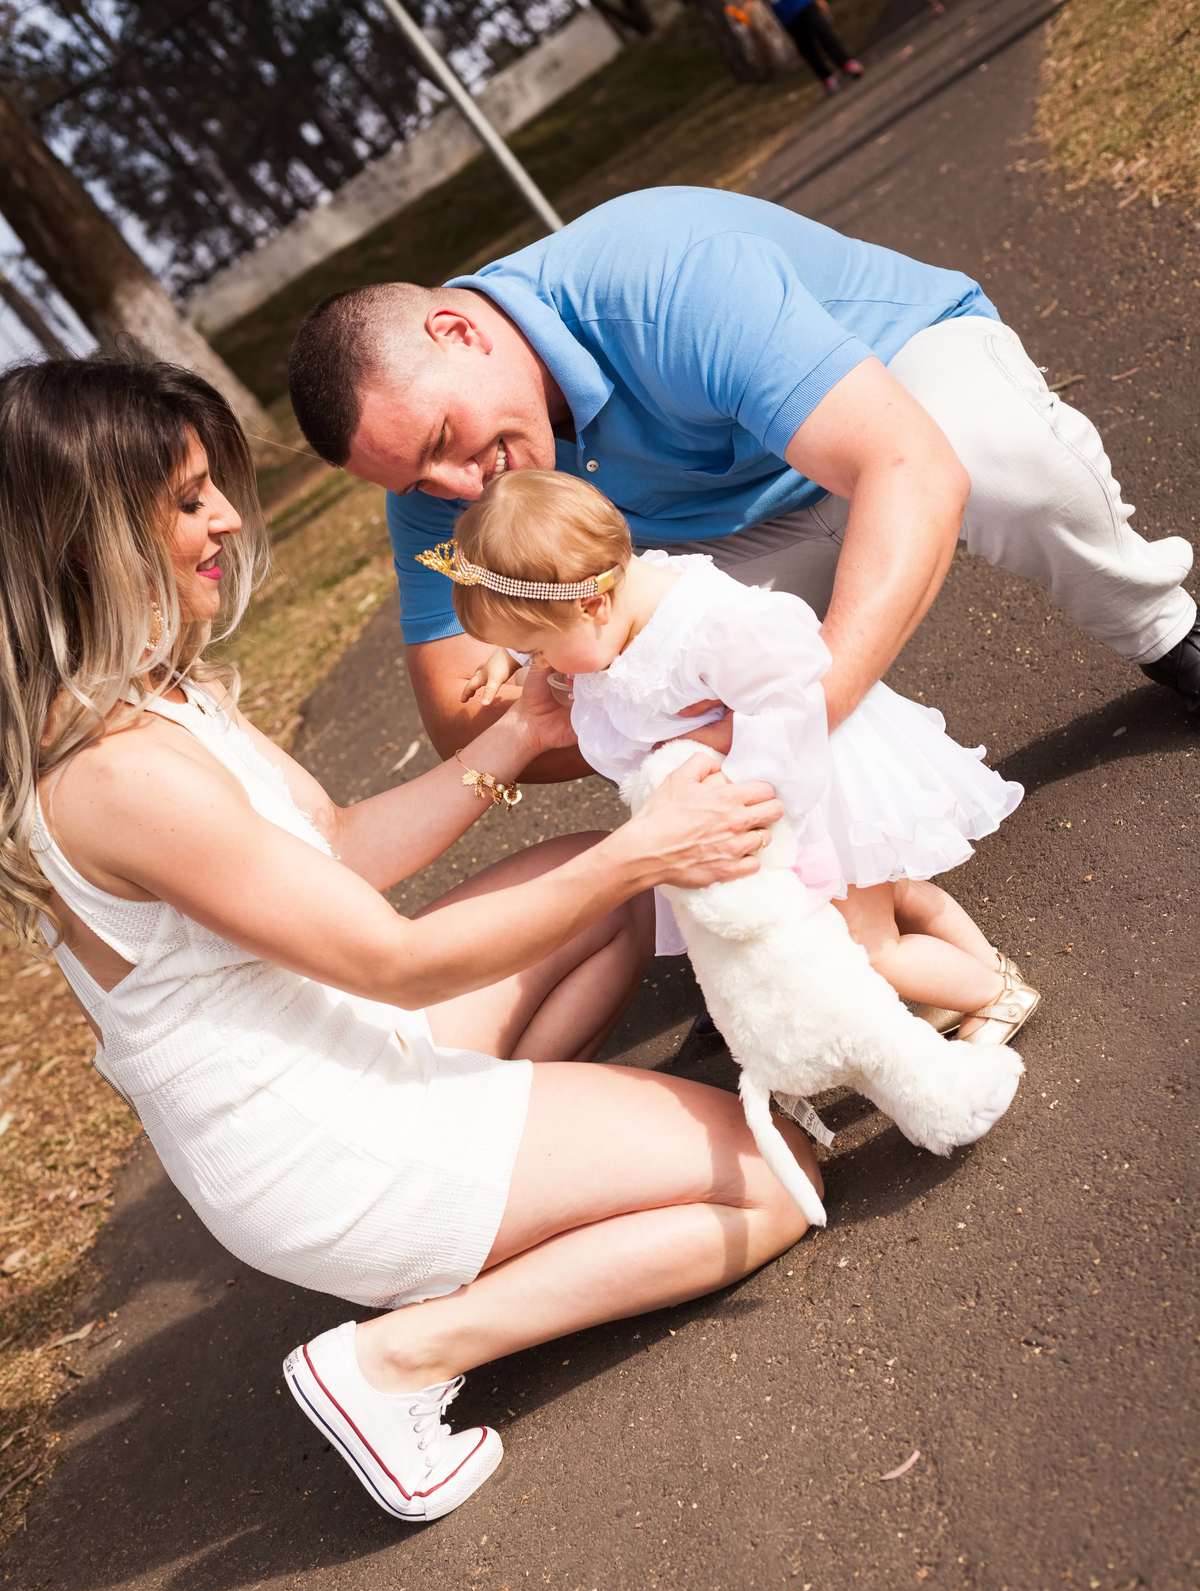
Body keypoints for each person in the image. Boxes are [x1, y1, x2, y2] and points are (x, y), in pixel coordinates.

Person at [0, 355, 822, 1525]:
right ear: (84, 535)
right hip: (328, 1143)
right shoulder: (118, 775)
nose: (226, 515)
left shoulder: (157, 689)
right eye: (187, 500)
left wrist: (515, 738)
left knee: (600, 902)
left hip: (347, 1049)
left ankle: (533, 1181)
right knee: (777, 1175)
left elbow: (331, 850)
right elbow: (391, 956)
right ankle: (399, 1359)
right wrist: (651, 848)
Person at [285, 187, 1200, 778]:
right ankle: (805, 898)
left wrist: (802, 713)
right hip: (748, 537)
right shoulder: (432, 485)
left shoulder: (660, 278)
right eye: (416, 479)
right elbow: (460, 720)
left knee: (1005, 464)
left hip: (898, 392)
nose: (456, 487)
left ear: (457, 331)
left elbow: (906, 463)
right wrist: (610, 706)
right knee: (619, 655)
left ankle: (1165, 634)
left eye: (447, 439)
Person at [444, 468, 1038, 1046]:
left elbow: (792, 704)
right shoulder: (614, 595)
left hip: (807, 782)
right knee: (895, 893)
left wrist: (725, 769)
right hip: (790, 781)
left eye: (536, 647)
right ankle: (976, 973)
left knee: (861, 946)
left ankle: (991, 992)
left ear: (593, 606)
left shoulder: (711, 629)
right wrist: (513, 658)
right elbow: (553, 617)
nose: (538, 663)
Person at [772, 0, 865, 96]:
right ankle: (826, 78)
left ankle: (845, 63)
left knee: (823, 31)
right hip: (786, 14)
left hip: (804, 3)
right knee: (806, 47)